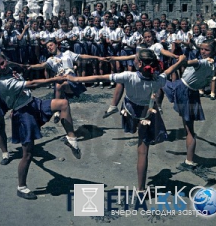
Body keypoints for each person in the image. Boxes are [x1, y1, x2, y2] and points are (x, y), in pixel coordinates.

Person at [65, 49, 185, 193]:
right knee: (143, 151)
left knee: (136, 128)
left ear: (139, 63)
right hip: (146, 114)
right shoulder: (158, 79)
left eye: (135, 58)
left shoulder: (128, 76)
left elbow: (100, 77)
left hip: (129, 111)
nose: (133, 60)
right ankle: (141, 189)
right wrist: (181, 61)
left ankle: (126, 120)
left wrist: (76, 79)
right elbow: (171, 69)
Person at [0, 52, 81, 200]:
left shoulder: (9, 68)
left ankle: (72, 139)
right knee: (28, 154)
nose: (2, 67)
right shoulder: (3, 82)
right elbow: (32, 84)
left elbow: (18, 66)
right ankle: (21, 187)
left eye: (3, 62)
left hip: (33, 103)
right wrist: (55, 79)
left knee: (63, 103)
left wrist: (18, 65)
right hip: (23, 115)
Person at [163, 39, 216, 169]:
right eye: (202, 49)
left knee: (159, 82)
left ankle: (155, 109)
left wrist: (179, 58)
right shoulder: (211, 64)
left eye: (206, 50)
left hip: (184, 90)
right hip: (191, 93)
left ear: (213, 51)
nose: (203, 51)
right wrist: (193, 45)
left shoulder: (202, 62)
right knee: (189, 128)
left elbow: (186, 63)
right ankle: (189, 160)